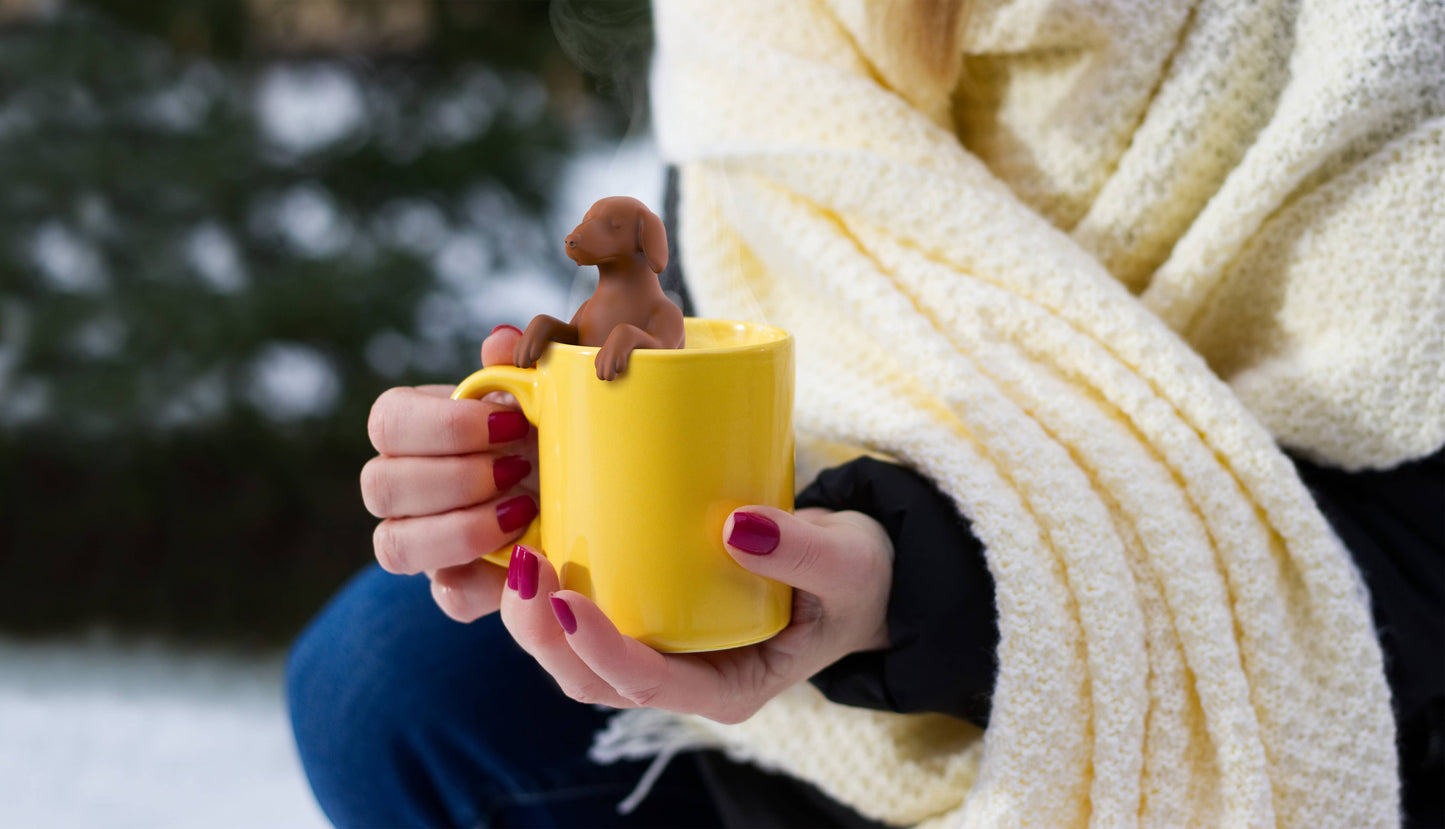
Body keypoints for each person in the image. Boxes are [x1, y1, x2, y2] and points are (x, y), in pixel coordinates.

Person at [289, 0, 1443, 826]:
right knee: (389, 676)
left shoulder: (1377, 56)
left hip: (1291, 696)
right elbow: (818, 343)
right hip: (823, 712)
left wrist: (923, 585)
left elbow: (1416, 559)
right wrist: (579, 475)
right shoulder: (767, 36)